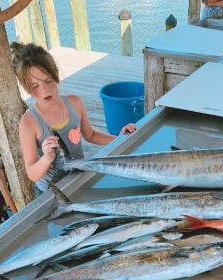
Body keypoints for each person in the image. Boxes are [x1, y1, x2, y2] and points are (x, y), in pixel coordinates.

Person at [10, 42, 136, 196]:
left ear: (56, 75)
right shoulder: (28, 123)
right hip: (50, 192)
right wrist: (46, 158)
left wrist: (119, 139)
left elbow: (90, 135)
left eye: (48, 81)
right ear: (25, 87)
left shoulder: (75, 103)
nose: (44, 90)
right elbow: (32, 173)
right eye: (35, 86)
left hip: (79, 180)